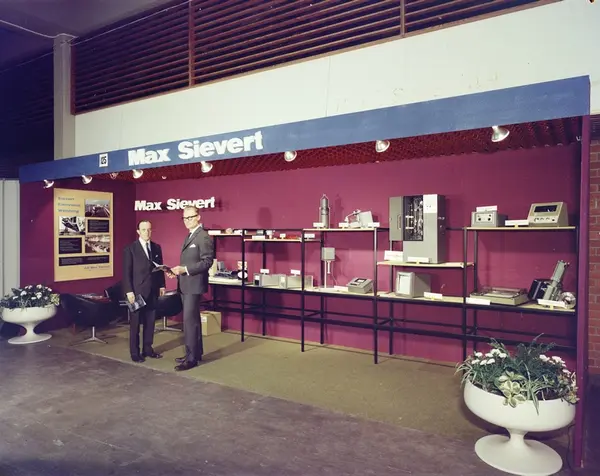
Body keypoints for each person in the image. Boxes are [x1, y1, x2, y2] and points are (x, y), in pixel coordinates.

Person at [169, 206, 215, 371]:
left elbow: (207, 262)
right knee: (192, 321)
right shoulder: (189, 236)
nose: (187, 221)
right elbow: (189, 262)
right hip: (186, 284)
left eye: (190, 217)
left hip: (194, 285)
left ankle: (191, 359)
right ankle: (195, 353)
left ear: (198, 217)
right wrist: (177, 271)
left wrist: (185, 270)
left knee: (189, 322)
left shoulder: (203, 236)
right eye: (185, 218)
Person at [122, 219, 166, 363]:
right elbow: (126, 273)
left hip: (152, 291)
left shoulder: (156, 247)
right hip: (136, 292)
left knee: (150, 322)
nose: (147, 232)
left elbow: (160, 268)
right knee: (135, 324)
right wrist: (129, 291)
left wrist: (162, 285)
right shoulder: (130, 249)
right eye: (143, 230)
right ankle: (135, 353)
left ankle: (148, 349)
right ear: (138, 231)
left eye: (149, 229)